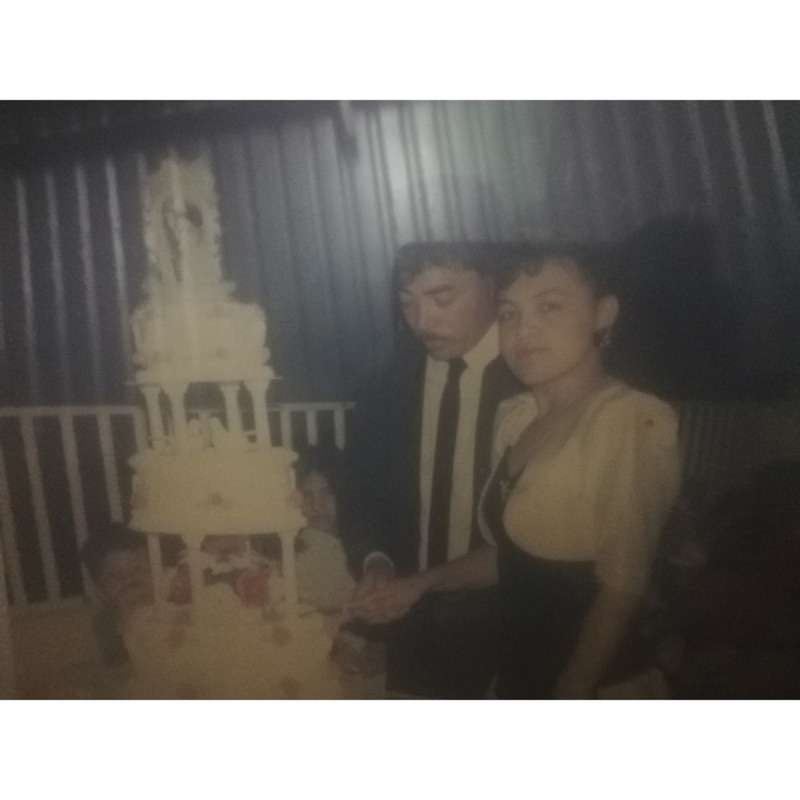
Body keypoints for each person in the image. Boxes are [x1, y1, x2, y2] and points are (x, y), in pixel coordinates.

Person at [350, 242, 682, 699]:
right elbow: (512, 556)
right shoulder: (519, 416)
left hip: (596, 682)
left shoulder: (629, 421)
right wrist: (417, 585)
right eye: (509, 313)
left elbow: (623, 588)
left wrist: (572, 688)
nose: (524, 329)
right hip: (515, 675)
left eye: (549, 307)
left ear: (603, 313)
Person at [340, 241, 522, 698]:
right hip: (412, 622)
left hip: (514, 620)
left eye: (442, 297)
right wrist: (376, 561)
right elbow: (361, 491)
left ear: (492, 286)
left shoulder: (534, 378)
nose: (421, 321)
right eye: (407, 302)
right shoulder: (386, 384)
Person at [80, 524, 155, 667]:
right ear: (100, 591)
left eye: (138, 569)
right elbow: (119, 667)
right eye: (114, 576)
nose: (129, 580)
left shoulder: (170, 603)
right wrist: (124, 621)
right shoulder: (103, 623)